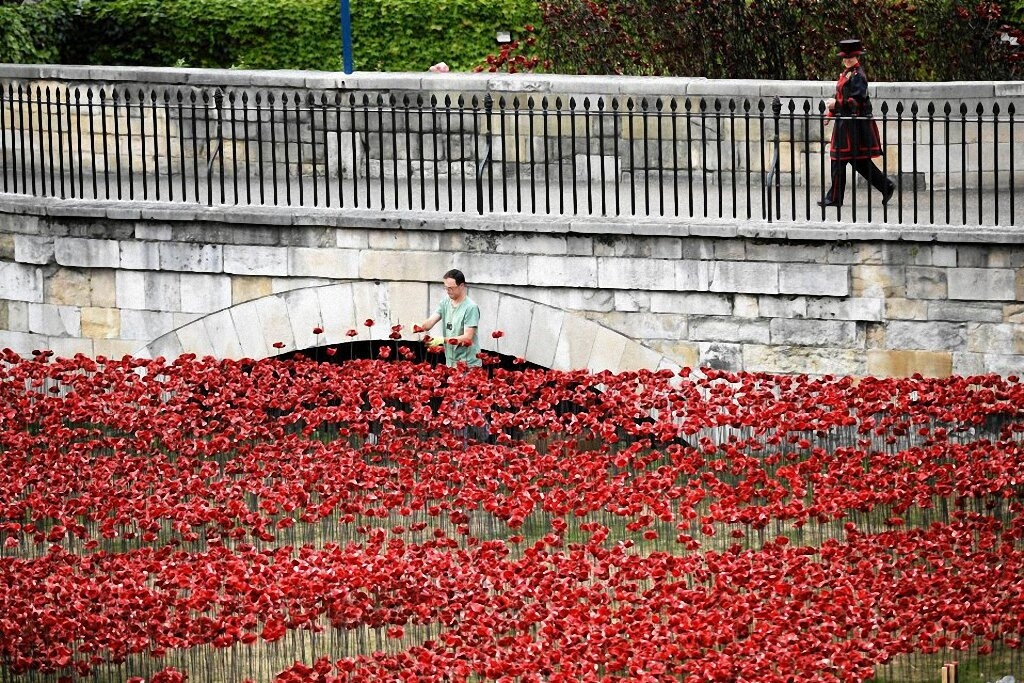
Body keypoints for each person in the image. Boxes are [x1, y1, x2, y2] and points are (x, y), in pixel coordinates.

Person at [819, 38, 896, 209]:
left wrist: (835, 105)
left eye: (851, 57)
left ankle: (835, 198)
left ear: (857, 56)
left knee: (839, 159)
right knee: (858, 161)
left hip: (853, 126)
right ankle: (886, 186)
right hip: (846, 124)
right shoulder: (847, 73)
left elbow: (857, 101)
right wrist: (831, 113)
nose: (847, 60)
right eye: (845, 57)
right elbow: (841, 95)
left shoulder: (858, 76)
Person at [418, 268, 482, 367]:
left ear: (461, 286)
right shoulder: (445, 302)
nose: (447, 291)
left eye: (451, 288)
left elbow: (467, 337)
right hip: (451, 362)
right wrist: (420, 326)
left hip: (468, 365)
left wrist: (442, 340)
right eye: (445, 287)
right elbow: (430, 322)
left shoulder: (471, 307)